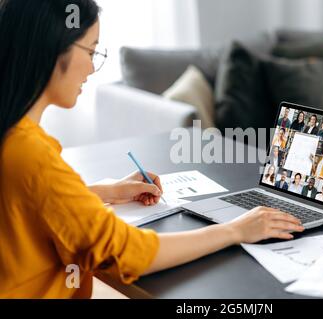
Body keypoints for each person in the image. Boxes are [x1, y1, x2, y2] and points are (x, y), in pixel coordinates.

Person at [0, 0, 304, 298]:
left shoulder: (14, 138)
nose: (93, 68)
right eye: (91, 51)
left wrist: (108, 192)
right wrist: (235, 230)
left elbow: (31, 202)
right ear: (52, 47)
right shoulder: (32, 155)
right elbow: (128, 252)